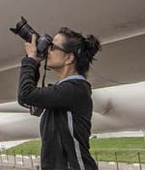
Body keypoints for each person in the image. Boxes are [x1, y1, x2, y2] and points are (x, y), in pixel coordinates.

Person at [18, 27, 102, 170]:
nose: (48, 51)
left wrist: (31, 60)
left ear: (69, 58)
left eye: (52, 47)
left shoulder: (74, 89)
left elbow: (26, 94)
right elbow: (27, 99)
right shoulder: (66, 90)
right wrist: (35, 63)